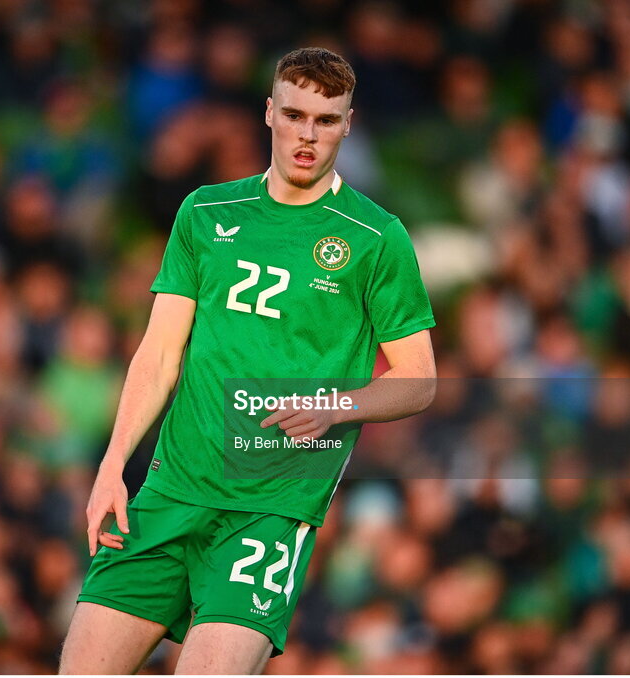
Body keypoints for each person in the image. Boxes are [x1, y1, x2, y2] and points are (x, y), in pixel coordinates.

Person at [59, 47, 437, 674]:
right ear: (269, 113)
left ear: (348, 124)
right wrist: (111, 466)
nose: (306, 135)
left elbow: (419, 379)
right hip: (168, 491)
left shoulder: (375, 238)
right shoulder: (205, 212)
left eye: (325, 120)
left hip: (270, 508)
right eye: (294, 115)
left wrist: (339, 407)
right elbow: (158, 354)